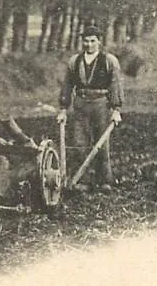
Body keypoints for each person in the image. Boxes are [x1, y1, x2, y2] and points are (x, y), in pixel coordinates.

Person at [57, 25, 124, 192]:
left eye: (92, 41)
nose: (89, 44)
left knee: (101, 143)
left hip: (101, 103)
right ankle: (83, 181)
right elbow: (67, 85)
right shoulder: (75, 61)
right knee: (79, 142)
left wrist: (116, 109)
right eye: (85, 41)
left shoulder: (109, 61)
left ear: (99, 42)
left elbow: (115, 85)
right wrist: (63, 109)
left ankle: (104, 181)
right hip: (80, 103)